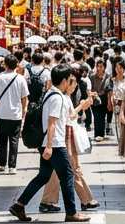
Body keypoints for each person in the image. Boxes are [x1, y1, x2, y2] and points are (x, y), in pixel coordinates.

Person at [9, 65, 88, 223]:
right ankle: (71, 213)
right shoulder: (57, 97)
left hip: (47, 142)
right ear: (64, 80)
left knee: (44, 176)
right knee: (67, 176)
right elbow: (52, 122)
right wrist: (50, 146)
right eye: (69, 79)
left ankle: (19, 205)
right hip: (54, 144)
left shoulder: (50, 93)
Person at [41, 66, 99, 214]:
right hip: (64, 139)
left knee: (59, 171)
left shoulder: (61, 97)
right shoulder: (60, 98)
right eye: (72, 82)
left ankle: (48, 201)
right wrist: (82, 106)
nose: (74, 86)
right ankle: (84, 201)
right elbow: (68, 117)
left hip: (63, 138)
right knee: (72, 169)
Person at [0, 55, 30, 174]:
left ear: (4, 64)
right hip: (15, 114)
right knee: (14, 140)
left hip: (1, 113)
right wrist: (23, 111)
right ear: (16, 64)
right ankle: (12, 166)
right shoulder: (20, 79)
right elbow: (24, 98)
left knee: (1, 139)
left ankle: (2, 164)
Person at [88, 59, 110, 141]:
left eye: (101, 66)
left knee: (103, 116)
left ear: (104, 67)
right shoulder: (92, 77)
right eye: (98, 66)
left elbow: (107, 88)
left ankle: (102, 134)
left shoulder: (107, 77)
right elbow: (90, 87)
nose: (99, 68)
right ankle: (96, 134)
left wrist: (100, 94)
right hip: (94, 98)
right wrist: (94, 94)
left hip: (104, 98)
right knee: (96, 116)